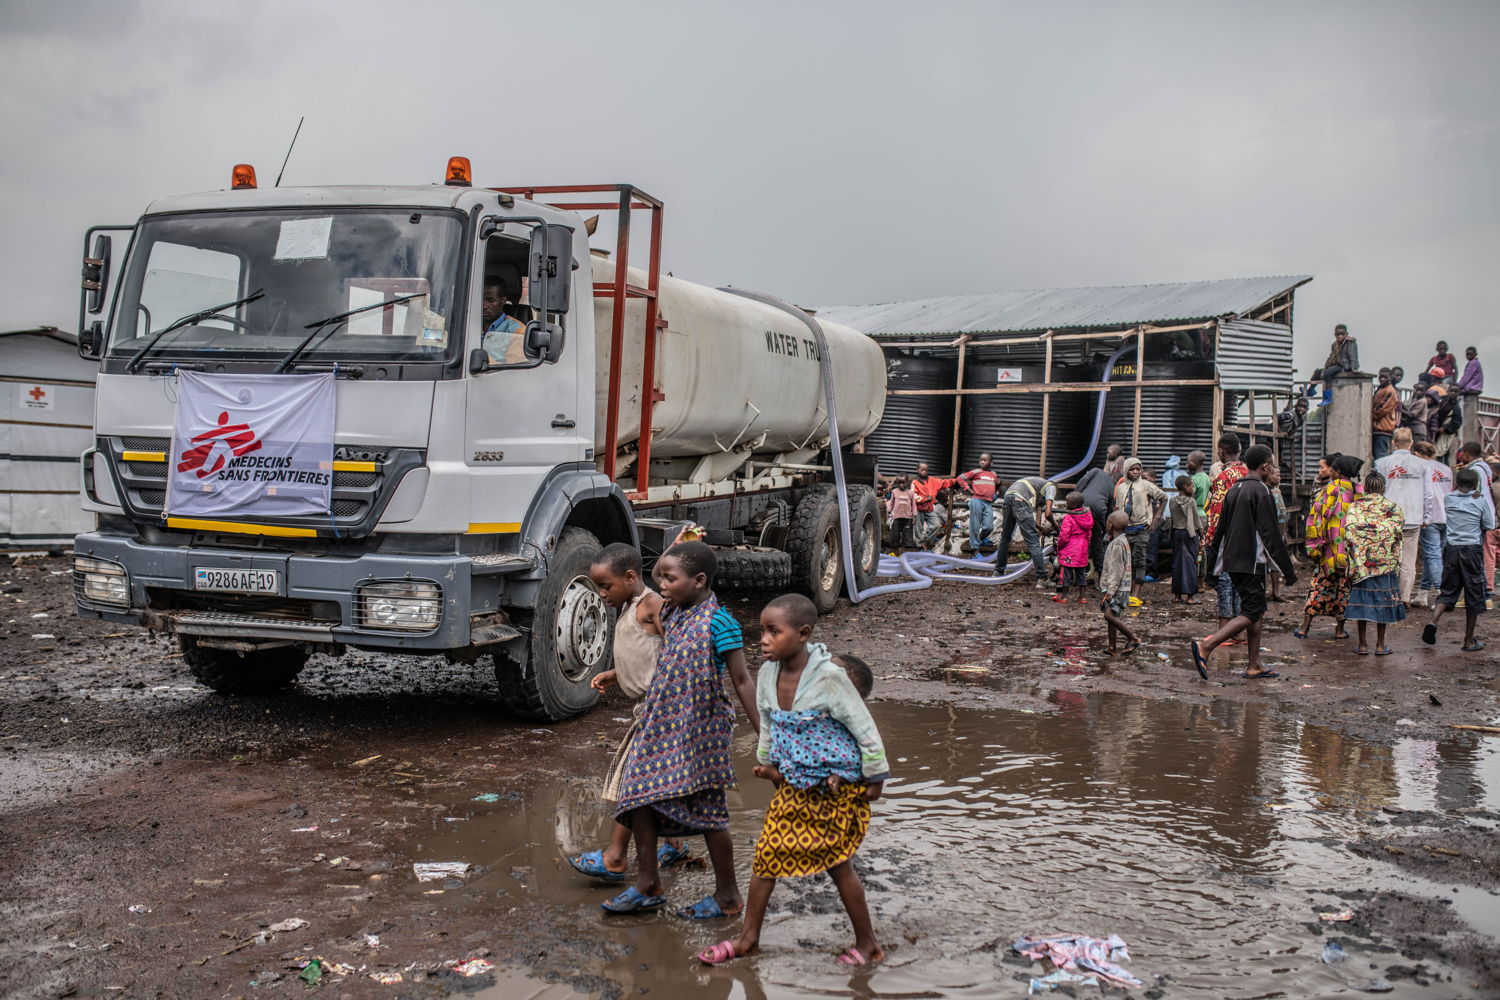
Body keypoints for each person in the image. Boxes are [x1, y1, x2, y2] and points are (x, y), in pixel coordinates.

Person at [698, 595, 888, 967]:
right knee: (766, 858)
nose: (763, 640)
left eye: (773, 632)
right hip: (795, 786)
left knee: (838, 864)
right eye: (762, 632)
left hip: (835, 788)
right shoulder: (768, 673)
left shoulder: (830, 678)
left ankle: (869, 945)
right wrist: (768, 764)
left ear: (803, 634)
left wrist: (876, 777)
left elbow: (864, 729)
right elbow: (768, 724)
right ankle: (748, 939)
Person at [605, 541, 760, 918]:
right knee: (636, 795)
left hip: (701, 728)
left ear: (699, 580)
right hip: (660, 723)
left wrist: (766, 734)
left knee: (709, 810)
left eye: (670, 579)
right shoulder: (672, 612)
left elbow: (741, 680)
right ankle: (648, 883)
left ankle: (727, 895)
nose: (661, 586)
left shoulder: (720, 622)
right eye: (660, 578)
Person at [567, 544, 690, 882]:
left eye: (606, 587)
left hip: (659, 710)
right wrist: (616, 674)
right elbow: (645, 655)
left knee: (632, 783)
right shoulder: (631, 606)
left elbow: (676, 652)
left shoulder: (652, 605)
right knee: (657, 784)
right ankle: (675, 844)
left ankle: (615, 857)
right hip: (649, 708)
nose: (602, 594)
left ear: (631, 576)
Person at [1193, 445, 1297, 679]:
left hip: (1232, 560)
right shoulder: (1261, 491)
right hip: (1250, 562)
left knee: (1256, 611)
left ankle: (1254, 664)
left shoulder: (1235, 489)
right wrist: (1288, 572)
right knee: (1252, 611)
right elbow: (1271, 535)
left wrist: (1212, 569)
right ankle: (1206, 646)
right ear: (1266, 466)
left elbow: (1219, 531)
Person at [1423, 467, 1496, 652]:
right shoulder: (1480, 501)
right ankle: (1468, 640)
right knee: (1473, 594)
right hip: (1471, 550)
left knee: (1448, 590)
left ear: (1456, 484)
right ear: (1475, 485)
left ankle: (1433, 621)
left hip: (1451, 549)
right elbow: (1489, 524)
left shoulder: (1449, 498)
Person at [1295, 454, 1359, 640]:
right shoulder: (1359, 491)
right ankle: (1339, 631)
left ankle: (1304, 628)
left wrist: (1314, 548)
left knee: (1320, 586)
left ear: (1337, 471)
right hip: (1351, 550)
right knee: (1344, 589)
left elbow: (1316, 519)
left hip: (1330, 549)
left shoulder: (1331, 489)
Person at [1343, 471, 1408, 655]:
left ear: (1365, 486)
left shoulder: (1356, 507)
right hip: (1386, 566)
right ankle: (1380, 645)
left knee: (1362, 604)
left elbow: (1349, 532)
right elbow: (1397, 532)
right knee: (1383, 605)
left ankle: (1363, 645)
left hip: (1362, 565)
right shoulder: (1393, 507)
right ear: (1383, 487)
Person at [1374, 428, 1428, 605]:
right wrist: (1426, 517)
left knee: (1387, 558)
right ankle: (1404, 599)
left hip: (1388, 517)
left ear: (1392, 443)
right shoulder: (1422, 465)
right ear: (1411, 443)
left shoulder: (1382, 463)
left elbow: (1377, 492)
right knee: (1408, 561)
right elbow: (1428, 493)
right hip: (1413, 518)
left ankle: (1387, 596)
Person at [1203, 433, 1250, 630]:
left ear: (1221, 451)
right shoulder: (1250, 473)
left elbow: (1217, 513)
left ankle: (1225, 630)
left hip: (1227, 537)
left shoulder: (1223, 477)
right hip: (1247, 537)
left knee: (1224, 583)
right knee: (1240, 584)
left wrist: (1210, 538)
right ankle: (1238, 632)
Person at [1113, 457, 1166, 599]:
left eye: (1138, 469)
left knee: (1140, 560)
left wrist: (1156, 517)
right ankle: (1125, 589)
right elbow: (1118, 507)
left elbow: (1163, 497)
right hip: (1125, 530)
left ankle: (1136, 592)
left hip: (1142, 528)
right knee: (1125, 560)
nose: (1136, 472)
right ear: (1126, 470)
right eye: (1132, 469)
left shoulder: (1146, 485)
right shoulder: (1121, 488)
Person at [1410, 441, 1453, 609]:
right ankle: (1423, 594)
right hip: (1446, 516)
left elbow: (1424, 494)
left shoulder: (1420, 468)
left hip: (1430, 517)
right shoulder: (1446, 469)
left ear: (1418, 453)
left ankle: (1443, 596)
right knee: (1433, 556)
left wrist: (1423, 516)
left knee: (1433, 556)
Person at [994, 474, 1056, 584]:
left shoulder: (1033, 485)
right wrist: (1056, 527)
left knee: (1005, 538)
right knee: (1033, 542)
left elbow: (1025, 517)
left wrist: (1041, 528)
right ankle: (1042, 578)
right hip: (1019, 499)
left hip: (1008, 497)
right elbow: (1048, 514)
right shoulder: (1051, 486)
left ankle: (998, 572)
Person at [1098, 511, 1140, 656]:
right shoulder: (1123, 541)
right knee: (1112, 616)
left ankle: (1133, 638)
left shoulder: (1117, 544)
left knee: (1109, 616)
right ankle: (1112, 647)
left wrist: (1110, 591)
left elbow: (1116, 570)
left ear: (1110, 525)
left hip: (1117, 589)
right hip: (1120, 587)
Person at [1169, 474, 1205, 604]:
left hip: (1177, 534)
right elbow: (1196, 521)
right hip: (1190, 535)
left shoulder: (1172, 501)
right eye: (1192, 486)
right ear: (1185, 487)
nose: (1193, 489)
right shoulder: (1191, 501)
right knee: (1191, 564)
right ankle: (1191, 597)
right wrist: (1202, 536)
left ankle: (1177, 596)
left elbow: (1172, 519)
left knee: (1177, 564)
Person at [1054, 492, 1093, 603]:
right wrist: (1087, 545)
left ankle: (1064, 597)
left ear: (1074, 505)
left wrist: (1059, 545)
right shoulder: (1087, 516)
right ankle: (1083, 596)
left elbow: (1064, 535)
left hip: (1070, 548)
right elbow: (1089, 533)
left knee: (1067, 572)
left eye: (1067, 503)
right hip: (1083, 547)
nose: (1066, 505)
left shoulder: (1069, 517)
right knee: (1081, 572)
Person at [1076, 466, 1113, 579]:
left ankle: (1075, 574)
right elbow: (1110, 508)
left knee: (1077, 539)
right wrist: (1103, 529)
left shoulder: (1095, 470)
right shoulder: (1111, 484)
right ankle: (1102, 575)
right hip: (1098, 510)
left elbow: (1081, 482)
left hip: (1081, 506)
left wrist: (1074, 496)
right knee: (1097, 542)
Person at [956, 454, 999, 552]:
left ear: (991, 462)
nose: (982, 462)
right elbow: (960, 478)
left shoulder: (993, 474)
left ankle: (980, 539)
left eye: (985, 460)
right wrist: (968, 489)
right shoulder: (976, 472)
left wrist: (996, 492)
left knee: (989, 527)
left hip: (988, 502)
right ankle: (974, 549)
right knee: (975, 524)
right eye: (981, 460)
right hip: (977, 500)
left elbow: (996, 484)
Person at [1309, 324, 1359, 406]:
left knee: (1327, 373)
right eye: (1338, 334)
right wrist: (1325, 368)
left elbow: (1353, 356)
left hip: (1343, 366)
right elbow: (1331, 357)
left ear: (1346, 334)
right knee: (1317, 372)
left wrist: (1353, 367)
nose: (1340, 336)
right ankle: (1310, 391)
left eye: (1342, 334)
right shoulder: (1334, 345)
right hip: (1334, 364)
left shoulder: (1349, 343)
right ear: (1335, 334)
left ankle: (1328, 398)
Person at [481, 276, 526, 363]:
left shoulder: (517, 330)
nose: (484, 306)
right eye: (480, 299)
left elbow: (513, 368)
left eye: (490, 300)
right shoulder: (468, 324)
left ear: (503, 301)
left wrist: (483, 360)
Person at [911, 462, 954, 548]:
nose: (924, 472)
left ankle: (925, 541)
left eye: (926, 470)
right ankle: (919, 547)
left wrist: (955, 481)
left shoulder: (932, 480)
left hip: (929, 508)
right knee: (918, 529)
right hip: (919, 509)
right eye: (922, 470)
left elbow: (943, 483)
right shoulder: (915, 482)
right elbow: (913, 497)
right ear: (917, 470)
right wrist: (925, 499)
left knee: (936, 525)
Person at [1371, 368, 1400, 461]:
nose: (1382, 379)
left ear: (1390, 378)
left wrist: (1371, 416)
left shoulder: (1390, 391)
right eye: (1381, 377)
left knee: (1381, 456)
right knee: (1376, 456)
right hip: (1376, 428)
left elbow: (1383, 409)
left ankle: (1382, 475)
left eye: (1385, 377)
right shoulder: (1380, 389)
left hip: (1383, 428)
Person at [885, 476, 917, 553]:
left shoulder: (911, 493)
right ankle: (894, 550)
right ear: (897, 483)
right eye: (899, 483)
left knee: (907, 535)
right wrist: (889, 512)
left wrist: (914, 516)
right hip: (896, 517)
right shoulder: (894, 491)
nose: (901, 484)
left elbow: (913, 505)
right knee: (894, 534)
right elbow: (891, 503)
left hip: (908, 518)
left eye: (903, 482)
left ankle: (906, 551)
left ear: (907, 483)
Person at [1187, 450, 1211, 516]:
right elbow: (1215, 495)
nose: (1187, 465)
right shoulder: (1207, 477)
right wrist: (1205, 509)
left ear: (1196, 462)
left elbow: (1190, 501)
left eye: (1188, 462)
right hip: (1202, 514)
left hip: (1194, 515)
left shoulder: (1193, 479)